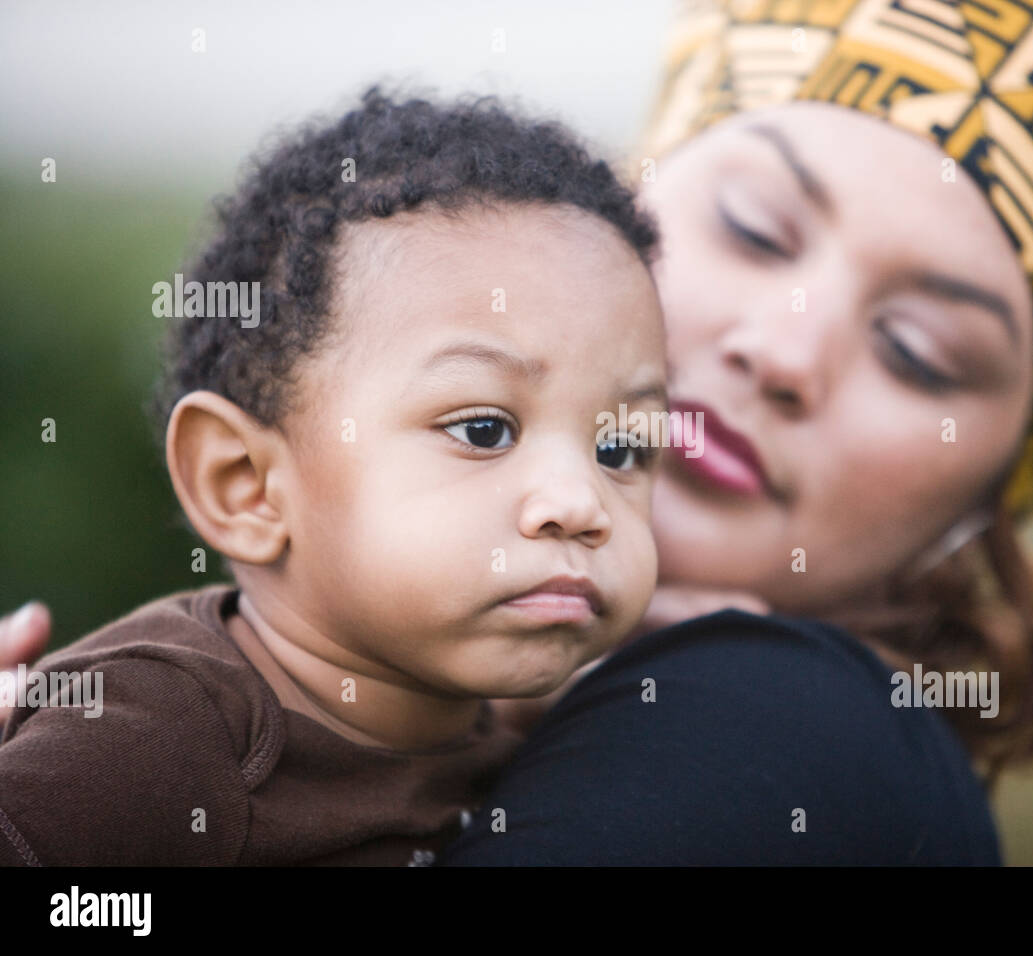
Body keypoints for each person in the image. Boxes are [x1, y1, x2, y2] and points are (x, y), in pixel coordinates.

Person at [3, 0, 1033, 865]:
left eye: (919, 352)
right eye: (756, 230)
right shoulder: (301, 703)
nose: (783, 350)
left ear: (979, 512)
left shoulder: (800, 735)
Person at [0, 87, 671, 865]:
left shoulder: (528, 735)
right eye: (484, 429)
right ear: (244, 484)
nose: (579, 503)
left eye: (621, 448)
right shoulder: (156, 734)